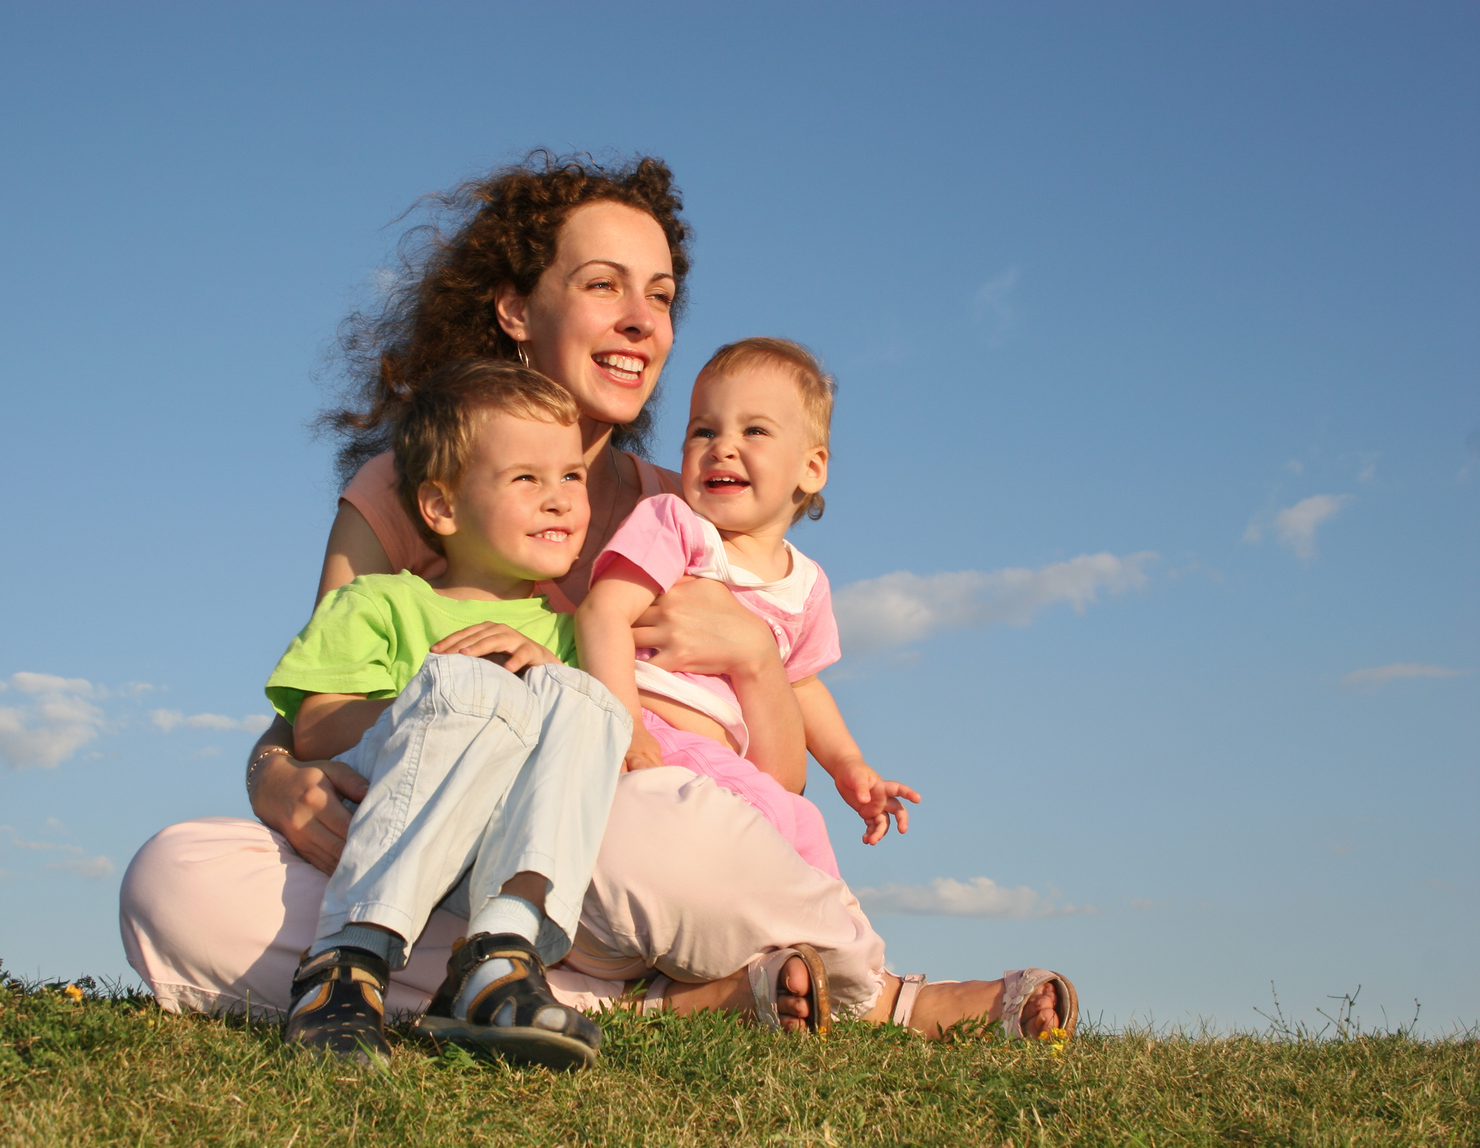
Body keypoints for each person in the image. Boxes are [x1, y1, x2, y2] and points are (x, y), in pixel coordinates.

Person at [120, 152, 1077, 1043]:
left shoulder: (690, 508)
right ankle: (630, 1000)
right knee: (177, 881)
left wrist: (748, 654)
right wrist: (273, 779)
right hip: (423, 845)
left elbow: (763, 786)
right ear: (515, 309)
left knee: (652, 828)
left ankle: (878, 995)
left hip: (615, 856)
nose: (641, 321)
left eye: (659, 296)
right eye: (602, 285)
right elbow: (316, 709)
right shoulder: (410, 490)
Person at [268, 359, 626, 1068]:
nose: (558, 499)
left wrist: (540, 674)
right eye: (527, 478)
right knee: (473, 688)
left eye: (572, 477)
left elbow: (592, 760)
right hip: (395, 811)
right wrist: (444, 694)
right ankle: (346, 960)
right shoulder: (379, 602)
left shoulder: (570, 632)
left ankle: (497, 955)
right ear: (442, 506)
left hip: (495, 842)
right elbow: (315, 727)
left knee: (588, 701)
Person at [577, 337, 918, 880]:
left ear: (811, 468)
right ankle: (814, 946)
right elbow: (602, 613)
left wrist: (848, 765)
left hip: (725, 765)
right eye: (703, 431)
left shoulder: (805, 585)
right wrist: (624, 726)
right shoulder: (676, 526)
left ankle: (837, 956)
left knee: (803, 828)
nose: (722, 446)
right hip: (655, 733)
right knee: (771, 843)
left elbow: (801, 686)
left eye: (753, 430)